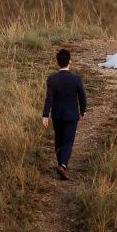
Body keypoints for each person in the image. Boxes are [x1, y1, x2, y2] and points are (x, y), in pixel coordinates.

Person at [42, 48, 87, 179]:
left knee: (59, 139)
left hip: (57, 114)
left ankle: (60, 163)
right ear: (70, 62)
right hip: (72, 114)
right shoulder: (76, 79)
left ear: (57, 62)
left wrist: (45, 115)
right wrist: (83, 110)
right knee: (68, 140)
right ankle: (62, 165)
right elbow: (82, 96)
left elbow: (49, 99)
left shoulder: (52, 79)